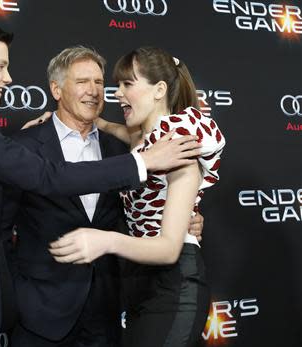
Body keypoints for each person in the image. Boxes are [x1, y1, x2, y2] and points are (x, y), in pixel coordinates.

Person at [0, 22, 202, 347]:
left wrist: (179, 221)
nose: (8, 77)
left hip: (103, 313)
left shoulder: (119, 146)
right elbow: (36, 187)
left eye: (99, 81)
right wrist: (144, 162)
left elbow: (137, 212)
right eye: (1, 66)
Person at [1, 46, 205, 347]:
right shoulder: (24, 146)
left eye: (99, 82)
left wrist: (190, 214)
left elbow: (153, 205)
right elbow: (0, 230)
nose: (96, 91)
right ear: (56, 89)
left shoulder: (125, 149)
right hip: (41, 315)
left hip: (107, 313)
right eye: (83, 81)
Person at [50, 47, 226, 347]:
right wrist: (55, 119)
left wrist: (104, 241)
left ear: (159, 90)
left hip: (174, 284)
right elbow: (115, 130)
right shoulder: (140, 139)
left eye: (127, 84)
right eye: (117, 85)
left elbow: (169, 248)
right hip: (136, 284)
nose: (116, 94)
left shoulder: (180, 144)